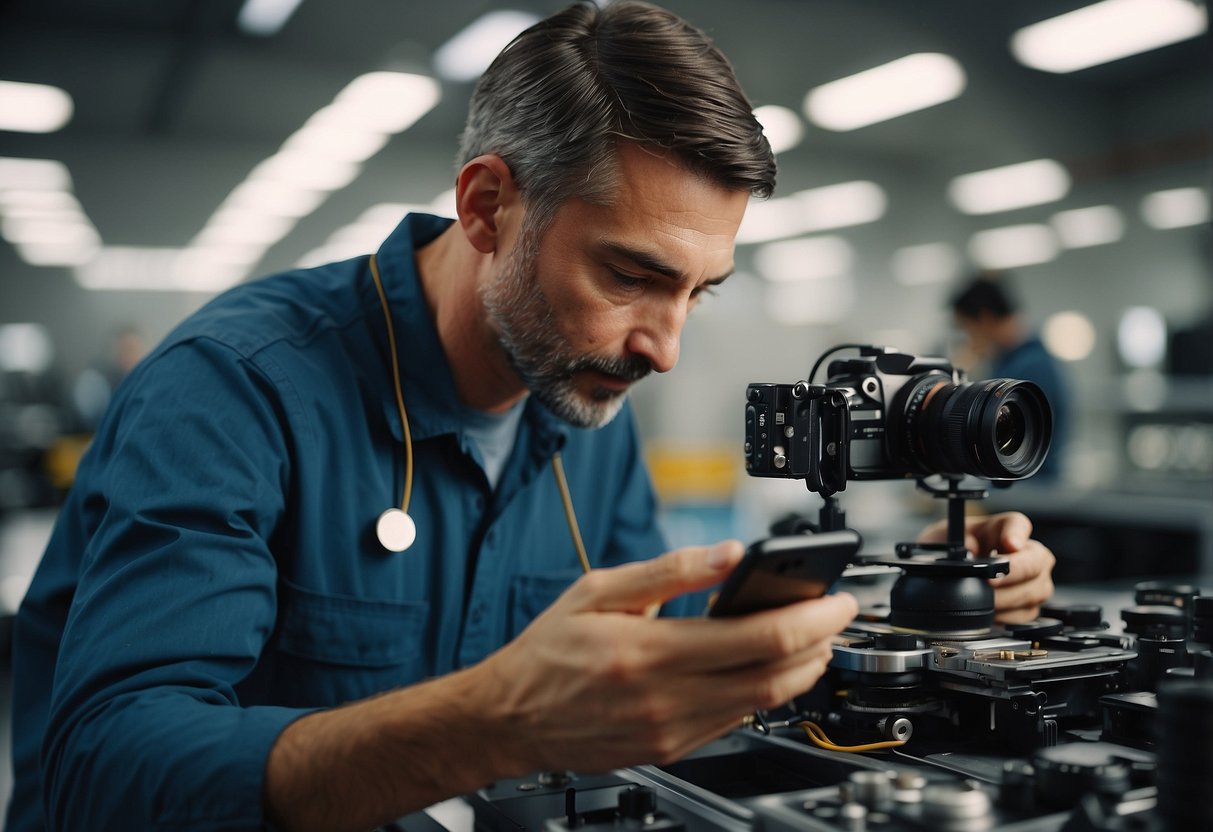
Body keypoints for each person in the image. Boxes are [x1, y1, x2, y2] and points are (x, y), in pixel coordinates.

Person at [8, 4, 1057, 831]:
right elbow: (105, 769)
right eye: (630, 274)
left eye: (699, 291)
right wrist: (493, 723)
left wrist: (911, 600)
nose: (665, 346)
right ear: (485, 205)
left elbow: (648, 655)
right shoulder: (234, 389)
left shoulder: (585, 403)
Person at [950, 272, 1071, 482]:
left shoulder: (1028, 368)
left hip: (1030, 494)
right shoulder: (1020, 362)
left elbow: (1008, 449)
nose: (968, 341)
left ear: (984, 318)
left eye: (967, 329)